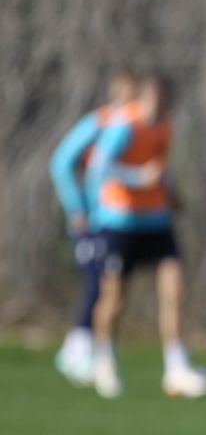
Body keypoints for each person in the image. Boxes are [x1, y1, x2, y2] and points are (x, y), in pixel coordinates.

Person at [86, 73, 206, 400]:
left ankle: (176, 367)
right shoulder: (124, 126)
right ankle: (104, 361)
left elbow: (159, 169)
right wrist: (136, 178)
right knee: (115, 298)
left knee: (175, 289)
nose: (160, 104)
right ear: (142, 97)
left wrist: (170, 192)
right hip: (120, 221)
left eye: (165, 99)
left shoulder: (165, 127)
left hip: (156, 220)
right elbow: (99, 166)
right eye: (155, 98)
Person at [48, 69, 139, 386]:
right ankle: (76, 351)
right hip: (92, 218)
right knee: (97, 282)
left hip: (115, 217)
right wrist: (77, 206)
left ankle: (82, 349)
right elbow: (61, 163)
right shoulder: (101, 122)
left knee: (106, 284)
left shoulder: (135, 126)